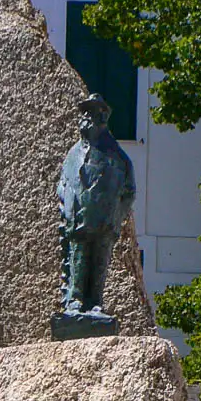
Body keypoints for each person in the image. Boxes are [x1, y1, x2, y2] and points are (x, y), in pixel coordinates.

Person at [56, 93, 137, 319]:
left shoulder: (117, 156)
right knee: (78, 260)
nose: (84, 118)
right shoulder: (73, 154)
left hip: (104, 222)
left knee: (100, 262)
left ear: (101, 118)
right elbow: (63, 184)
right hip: (78, 219)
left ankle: (95, 302)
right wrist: (68, 209)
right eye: (83, 113)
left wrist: (115, 217)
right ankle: (74, 301)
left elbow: (129, 191)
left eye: (89, 113)